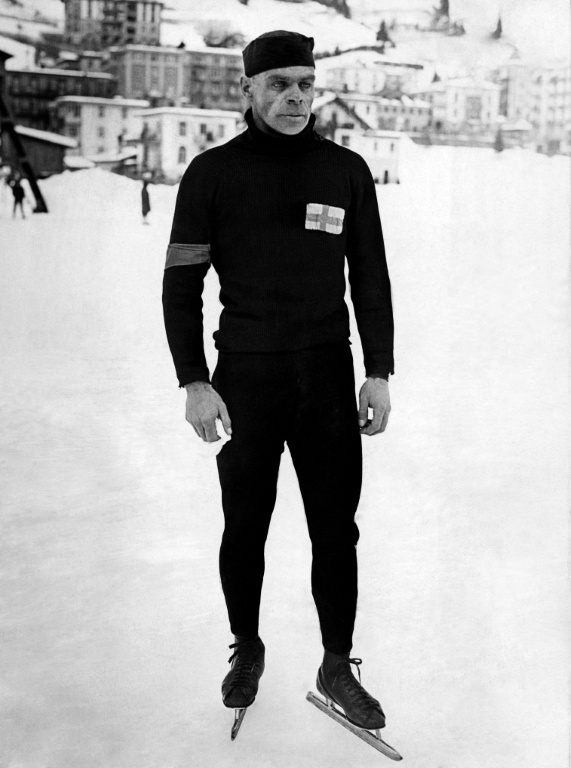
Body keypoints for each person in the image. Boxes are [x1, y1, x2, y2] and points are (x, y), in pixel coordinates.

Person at [162, 30, 394, 732]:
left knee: (336, 531)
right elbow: (180, 285)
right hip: (246, 379)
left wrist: (378, 371)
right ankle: (247, 647)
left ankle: (335, 661)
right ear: (249, 90)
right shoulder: (211, 174)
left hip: (326, 374)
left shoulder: (345, 170)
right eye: (277, 84)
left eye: (303, 83)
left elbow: (371, 279)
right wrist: (194, 381)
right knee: (245, 525)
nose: (294, 96)